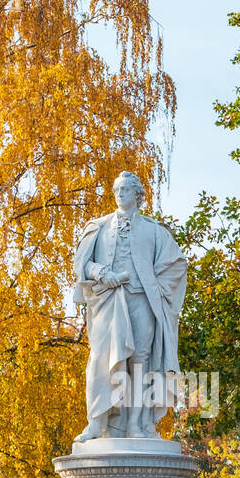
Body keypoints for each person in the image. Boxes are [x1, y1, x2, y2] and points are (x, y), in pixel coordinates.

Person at [71, 170, 187, 441]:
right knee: (100, 358)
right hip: (108, 301)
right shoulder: (98, 227)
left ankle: (135, 424)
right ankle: (96, 423)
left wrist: (155, 287)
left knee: (140, 362)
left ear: (137, 195)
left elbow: (177, 264)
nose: (119, 195)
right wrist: (102, 273)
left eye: (124, 190)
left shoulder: (154, 230)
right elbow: (82, 264)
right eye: (116, 190)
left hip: (141, 300)